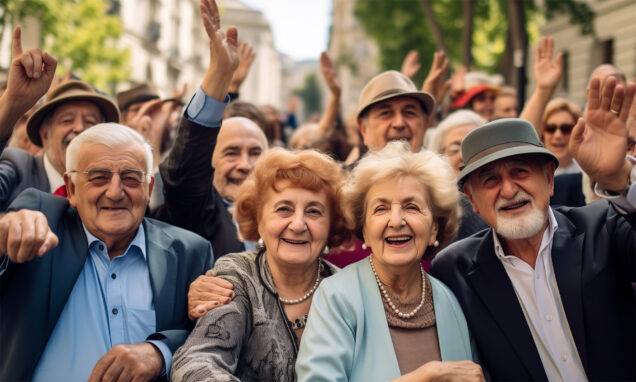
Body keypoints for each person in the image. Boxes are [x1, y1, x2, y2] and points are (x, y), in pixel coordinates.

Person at [430, 76, 636, 381]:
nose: (510, 190)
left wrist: (619, 179)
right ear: (471, 199)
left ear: (550, 179)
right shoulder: (453, 270)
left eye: (520, 172)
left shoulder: (602, 226)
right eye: (490, 181)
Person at [0, 123, 214, 381]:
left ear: (148, 188)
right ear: (71, 188)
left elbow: (211, 336)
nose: (115, 192)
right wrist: (5, 232)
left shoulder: (189, 251)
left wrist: (160, 352)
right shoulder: (42, 220)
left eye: (131, 177)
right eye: (98, 177)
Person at [295, 142, 483, 381]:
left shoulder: (450, 299)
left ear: (434, 228)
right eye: (381, 208)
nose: (396, 221)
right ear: (364, 229)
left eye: (411, 207)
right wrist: (425, 377)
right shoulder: (337, 297)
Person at [170, 147, 349, 381]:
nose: (297, 224)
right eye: (284, 209)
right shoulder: (239, 275)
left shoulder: (345, 288)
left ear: (331, 226)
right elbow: (197, 359)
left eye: (314, 211)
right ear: (259, 221)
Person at [0, 26, 119, 211]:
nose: (79, 128)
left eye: (90, 122)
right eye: (67, 120)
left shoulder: (111, 188)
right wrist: (11, 104)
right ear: (45, 135)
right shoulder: (18, 168)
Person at [428, 110, 488, 240]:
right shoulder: (432, 208)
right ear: (438, 156)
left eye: (473, 147)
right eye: (454, 150)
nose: (463, 155)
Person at [356, 70, 435, 153]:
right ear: (364, 129)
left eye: (409, 112)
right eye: (385, 113)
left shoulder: (441, 166)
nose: (399, 123)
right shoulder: (347, 166)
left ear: (425, 125)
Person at [541, 98, 582, 175]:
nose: (558, 135)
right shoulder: (534, 173)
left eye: (566, 129)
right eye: (551, 128)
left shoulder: (588, 176)